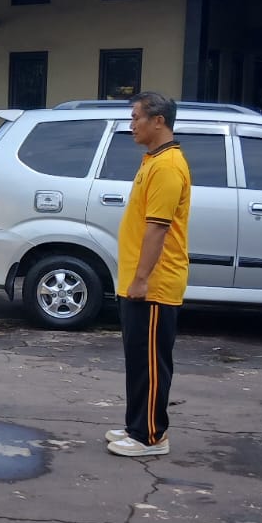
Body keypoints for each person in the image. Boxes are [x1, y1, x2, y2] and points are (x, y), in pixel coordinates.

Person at [107, 91, 191, 459]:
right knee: (138, 359)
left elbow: (158, 228)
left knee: (152, 362)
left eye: (136, 117)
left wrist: (142, 279)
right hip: (138, 281)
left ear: (158, 121)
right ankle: (135, 426)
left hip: (154, 284)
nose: (132, 125)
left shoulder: (168, 166)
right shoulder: (153, 160)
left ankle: (152, 436)